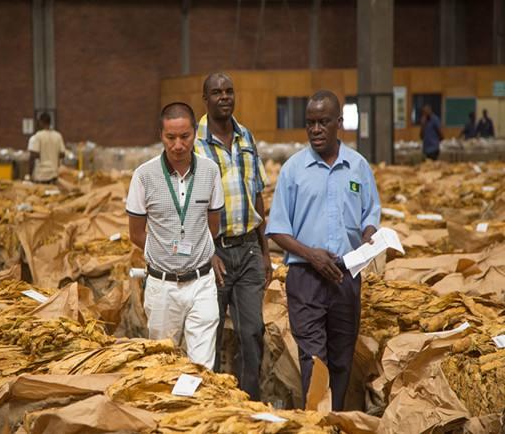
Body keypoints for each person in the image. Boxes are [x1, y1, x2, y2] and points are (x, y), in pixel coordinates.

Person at [266, 90, 381, 411]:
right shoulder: (293, 170)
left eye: (323, 122)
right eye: (310, 123)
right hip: (306, 278)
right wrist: (311, 254)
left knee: (342, 356)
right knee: (314, 358)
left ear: (339, 124)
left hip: (346, 276)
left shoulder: (358, 167)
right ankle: (316, 421)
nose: (316, 129)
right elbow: (276, 228)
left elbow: (370, 213)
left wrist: (370, 235)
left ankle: (337, 419)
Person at [126, 102, 224, 370]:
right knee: (163, 363)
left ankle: (201, 411)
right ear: (161, 135)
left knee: (202, 366)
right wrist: (163, 252)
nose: (178, 145)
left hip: (201, 282)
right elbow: (136, 232)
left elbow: (212, 226)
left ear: (195, 134)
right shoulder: (144, 176)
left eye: (185, 137)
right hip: (163, 285)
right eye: (171, 137)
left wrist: (197, 251)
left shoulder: (210, 171)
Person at [194, 72, 271, 401]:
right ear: (205, 99)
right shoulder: (194, 144)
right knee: (207, 333)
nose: (224, 97)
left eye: (229, 91)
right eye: (216, 92)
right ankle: (210, 406)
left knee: (252, 331)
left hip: (249, 250)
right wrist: (207, 253)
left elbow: (257, 196)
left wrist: (266, 251)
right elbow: (188, 208)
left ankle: (248, 404)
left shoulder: (246, 138)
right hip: (215, 254)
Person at [27, 112, 66, 184]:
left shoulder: (38, 136)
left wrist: (29, 175)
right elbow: (62, 154)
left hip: (41, 176)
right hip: (54, 175)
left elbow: (33, 156)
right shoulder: (58, 136)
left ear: (41, 122)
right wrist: (53, 154)